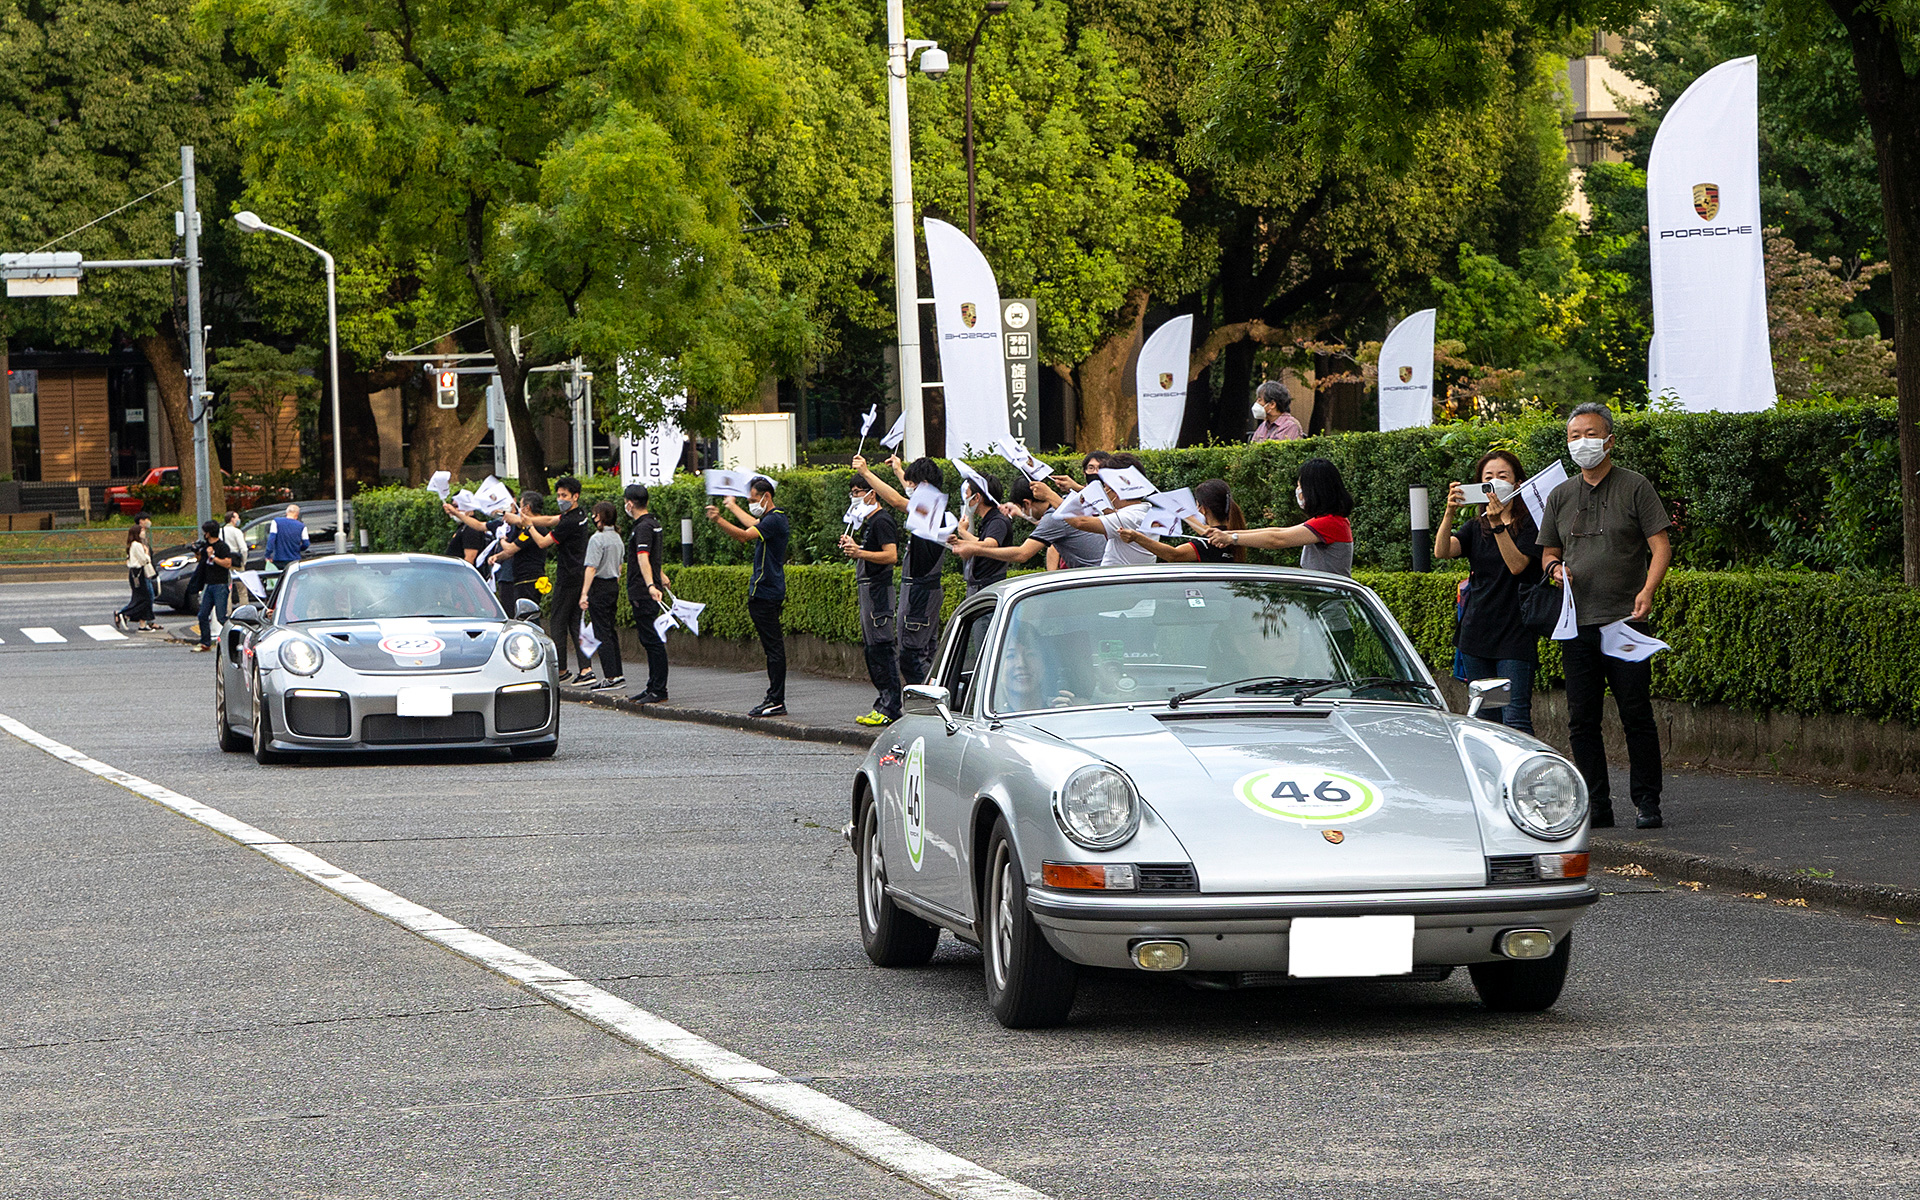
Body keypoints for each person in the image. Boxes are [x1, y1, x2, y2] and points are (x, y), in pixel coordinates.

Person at [1537, 402, 1673, 829]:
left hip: (1625, 620)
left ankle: (1647, 802)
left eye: (1590, 434)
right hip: (1576, 623)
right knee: (1582, 720)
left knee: (1636, 714)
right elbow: (1549, 551)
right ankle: (1597, 804)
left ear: (1610, 440)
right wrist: (1554, 569)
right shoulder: (1560, 495)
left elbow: (1661, 546)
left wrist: (1648, 591)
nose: (1582, 443)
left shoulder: (1635, 486)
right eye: (1574, 436)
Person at [1434, 450, 1544, 735]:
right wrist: (1449, 512)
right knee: (1485, 718)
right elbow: (1442, 551)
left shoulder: (1531, 524)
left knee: (1515, 717)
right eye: (1488, 477)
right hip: (1477, 633)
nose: (1495, 483)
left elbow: (1517, 565)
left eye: (1502, 476)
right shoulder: (1475, 527)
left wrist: (1498, 525)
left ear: (1517, 483)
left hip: (1516, 634)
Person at [850, 453, 948, 686]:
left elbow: (897, 501)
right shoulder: (934, 506)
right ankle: (939, 699)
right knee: (926, 654)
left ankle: (930, 702)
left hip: (920, 593)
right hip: (923, 591)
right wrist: (898, 470)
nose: (909, 487)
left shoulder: (931, 509)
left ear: (924, 485)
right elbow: (909, 495)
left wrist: (866, 473)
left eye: (913, 483)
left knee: (913, 657)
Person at [708, 476, 788, 717]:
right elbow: (753, 523)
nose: (752, 503)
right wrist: (732, 506)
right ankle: (774, 697)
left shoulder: (775, 519)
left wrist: (719, 519)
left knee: (773, 649)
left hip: (766, 592)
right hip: (766, 590)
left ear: (766, 496)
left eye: (753, 499)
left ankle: (776, 699)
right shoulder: (771, 519)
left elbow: (744, 535)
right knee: (772, 648)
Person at [1207, 457, 1355, 576]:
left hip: (1329, 599)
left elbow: (1277, 540)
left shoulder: (1330, 523)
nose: (1298, 491)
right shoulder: (1330, 521)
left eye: (1300, 486)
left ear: (1314, 490)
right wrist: (1228, 534)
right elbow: (1278, 531)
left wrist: (1232, 538)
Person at [514, 476, 592, 681]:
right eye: (558, 495)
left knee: (557, 622)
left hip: (568, 577)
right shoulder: (579, 514)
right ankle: (586, 669)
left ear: (575, 496)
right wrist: (524, 519)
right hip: (579, 574)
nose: (560, 499)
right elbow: (549, 520)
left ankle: (561, 670)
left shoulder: (569, 522)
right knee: (575, 623)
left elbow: (542, 542)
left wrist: (529, 527)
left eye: (564, 495)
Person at [838, 478, 901, 726]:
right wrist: (855, 548)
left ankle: (890, 707)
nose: (854, 497)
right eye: (852, 493)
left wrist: (860, 552)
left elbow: (891, 555)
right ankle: (883, 702)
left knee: (882, 648)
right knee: (872, 649)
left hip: (878, 591)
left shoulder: (882, 521)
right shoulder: (869, 522)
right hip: (869, 590)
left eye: (858, 492)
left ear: (871, 494)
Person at [950, 477, 1106, 570]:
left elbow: (1022, 554)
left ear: (1027, 502)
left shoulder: (1054, 518)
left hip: (1096, 577)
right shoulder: (1064, 502)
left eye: (1022, 508)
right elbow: (1043, 526)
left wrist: (975, 550)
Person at [1058, 452, 1159, 565]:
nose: (1104, 492)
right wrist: (1077, 488)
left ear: (1117, 489)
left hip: (1119, 576)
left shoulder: (1132, 517)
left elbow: (1079, 522)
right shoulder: (1140, 512)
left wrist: (1049, 495)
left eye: (1105, 487)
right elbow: (1108, 511)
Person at [1116, 478, 1247, 564]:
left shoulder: (1210, 542)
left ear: (1203, 509)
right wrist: (1178, 509)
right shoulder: (1233, 534)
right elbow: (1204, 530)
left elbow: (1174, 555)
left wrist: (1137, 537)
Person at [623, 484, 671, 704]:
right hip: (648, 588)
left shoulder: (642, 527)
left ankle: (658, 689)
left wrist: (651, 585)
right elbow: (652, 557)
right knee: (651, 639)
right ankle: (652, 686)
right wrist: (660, 576)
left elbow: (643, 557)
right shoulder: (654, 524)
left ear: (630, 503)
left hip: (643, 591)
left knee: (652, 640)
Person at [576, 501, 624, 691]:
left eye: (595, 514)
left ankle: (610, 676)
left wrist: (584, 593)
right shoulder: (617, 538)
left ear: (600, 517)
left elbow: (591, 568)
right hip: (612, 585)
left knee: (601, 632)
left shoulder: (597, 539)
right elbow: (619, 567)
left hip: (599, 586)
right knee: (610, 630)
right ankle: (618, 673)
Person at [957, 472, 1012, 594]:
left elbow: (989, 545)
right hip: (981, 587)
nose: (965, 498)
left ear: (977, 497)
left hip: (989, 588)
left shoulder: (998, 521)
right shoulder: (990, 520)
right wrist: (960, 538)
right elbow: (982, 543)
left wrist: (963, 537)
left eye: (967, 494)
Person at [191, 520, 238, 653]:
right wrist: (197, 552)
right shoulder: (206, 546)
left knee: (221, 616)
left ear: (209, 533)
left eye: (205, 532)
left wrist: (213, 556)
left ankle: (235, 638)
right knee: (202, 614)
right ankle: (205, 642)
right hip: (209, 584)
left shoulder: (222, 547)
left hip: (220, 584)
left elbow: (227, 563)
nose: (204, 534)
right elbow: (201, 561)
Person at [115, 517, 160, 632]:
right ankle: (125, 614)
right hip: (139, 573)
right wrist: (146, 553)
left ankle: (142, 624)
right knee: (145, 598)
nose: (144, 533)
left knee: (142, 598)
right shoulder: (137, 545)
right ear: (137, 533)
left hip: (135, 573)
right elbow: (144, 560)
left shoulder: (133, 544)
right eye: (142, 531)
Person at [265, 504, 309, 572]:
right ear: (297, 514)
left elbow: (271, 539)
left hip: (279, 558)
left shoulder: (276, 522)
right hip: (295, 559)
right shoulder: (302, 526)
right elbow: (306, 544)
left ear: (286, 513)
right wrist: (298, 549)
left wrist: (268, 555)